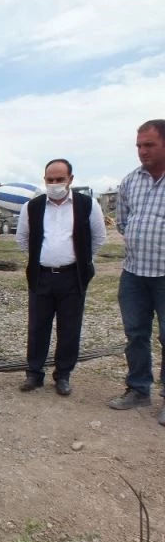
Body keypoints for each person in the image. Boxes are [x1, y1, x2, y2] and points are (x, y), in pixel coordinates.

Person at [16, 159, 107, 396]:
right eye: (50, 180)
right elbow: (23, 239)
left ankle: (63, 375)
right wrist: (41, 258)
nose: (54, 184)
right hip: (41, 276)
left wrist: (83, 260)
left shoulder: (88, 205)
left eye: (60, 179)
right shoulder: (31, 207)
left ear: (70, 179)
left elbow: (98, 237)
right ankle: (34, 373)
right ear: (44, 180)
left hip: (72, 277)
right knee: (37, 327)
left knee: (69, 328)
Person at [109, 119, 165, 425]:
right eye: (139, 145)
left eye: (149, 145)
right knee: (136, 333)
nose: (142, 151)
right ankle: (139, 389)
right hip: (134, 272)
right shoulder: (130, 181)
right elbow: (122, 222)